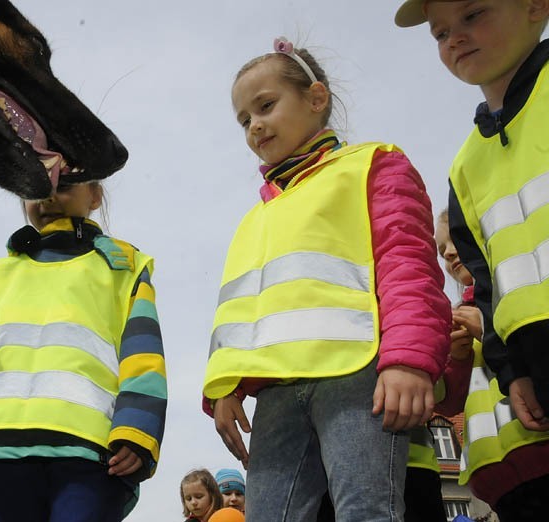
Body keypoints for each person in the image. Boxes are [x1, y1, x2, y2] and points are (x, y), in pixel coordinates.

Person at [203, 36, 451, 521]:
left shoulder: (373, 164)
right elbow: (241, 309)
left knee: (367, 511)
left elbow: (407, 263)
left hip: (356, 375)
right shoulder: (259, 216)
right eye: (243, 119)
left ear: (316, 99)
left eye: (266, 105)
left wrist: (409, 361)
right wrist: (223, 389)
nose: (254, 125)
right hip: (276, 390)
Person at [0, 181, 167, 522]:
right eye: (34, 186)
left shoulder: (124, 266)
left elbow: (143, 355)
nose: (46, 196)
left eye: (63, 185)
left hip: (87, 451)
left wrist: (137, 431)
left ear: (95, 196)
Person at [394, 0, 549, 433]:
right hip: (536, 359)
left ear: (536, 6)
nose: (454, 38)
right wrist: (511, 368)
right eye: (440, 34)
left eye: (473, 14)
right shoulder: (465, 165)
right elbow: (484, 278)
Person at [434, 210, 549, 521]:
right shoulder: (457, 316)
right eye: (441, 248)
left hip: (538, 451)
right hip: (494, 478)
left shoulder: (518, 296)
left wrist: (487, 331)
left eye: (455, 240)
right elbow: (449, 402)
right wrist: (456, 359)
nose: (448, 252)